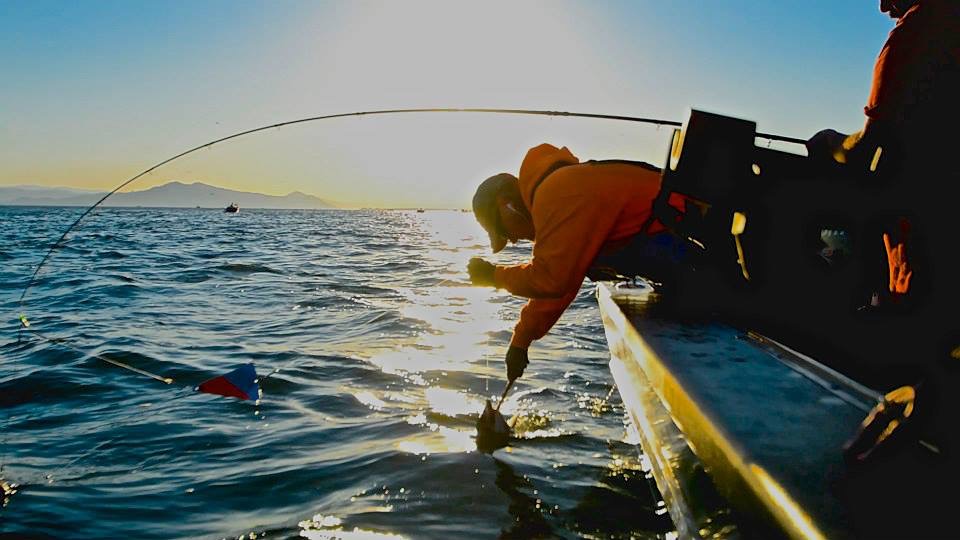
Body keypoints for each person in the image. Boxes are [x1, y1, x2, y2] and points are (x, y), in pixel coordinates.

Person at [803, 0, 960, 461]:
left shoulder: (921, 27)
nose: (879, 4)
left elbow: (875, 147)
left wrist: (831, 143)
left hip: (929, 258)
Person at [466, 143, 690, 383]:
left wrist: (494, 277)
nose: (511, 240)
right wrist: (521, 341)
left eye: (502, 232)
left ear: (506, 204)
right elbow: (564, 279)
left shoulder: (557, 193)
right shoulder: (556, 191)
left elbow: (552, 280)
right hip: (676, 242)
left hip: (690, 237)